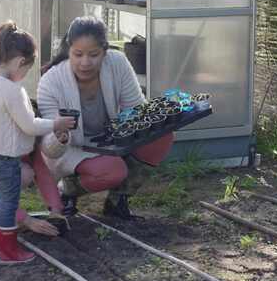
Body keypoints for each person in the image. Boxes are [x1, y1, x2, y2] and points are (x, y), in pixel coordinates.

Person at [37, 16, 174, 220]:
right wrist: (60, 137)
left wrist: (161, 117)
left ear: (105, 51)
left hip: (108, 140)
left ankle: (118, 199)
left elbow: (136, 109)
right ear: (69, 50)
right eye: (78, 54)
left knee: (162, 136)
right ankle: (68, 190)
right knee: (113, 171)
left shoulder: (117, 63)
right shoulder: (51, 81)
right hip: (72, 149)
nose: (85, 63)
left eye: (94, 55)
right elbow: (49, 149)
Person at [0, 21, 75, 265]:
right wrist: (55, 124)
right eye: (26, 69)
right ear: (18, 62)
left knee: (0, 201)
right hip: (6, 159)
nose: (24, 75)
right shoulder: (12, 90)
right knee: (9, 203)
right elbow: (29, 126)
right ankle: (8, 251)